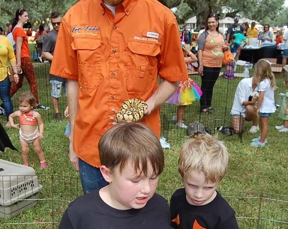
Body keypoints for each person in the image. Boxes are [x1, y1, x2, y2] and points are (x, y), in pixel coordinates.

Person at [50, 0, 188, 194]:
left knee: (136, 219)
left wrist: (145, 107)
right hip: (90, 144)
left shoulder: (162, 17)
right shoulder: (74, 16)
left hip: (139, 145)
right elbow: (72, 80)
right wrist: (73, 138)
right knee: (97, 215)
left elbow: (173, 78)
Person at [51, 122, 178, 229]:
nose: (147, 189)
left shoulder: (159, 206)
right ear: (107, 173)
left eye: (153, 177)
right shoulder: (80, 213)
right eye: (135, 180)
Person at [170, 134, 246, 229]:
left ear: (219, 181)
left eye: (208, 187)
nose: (199, 194)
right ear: (182, 176)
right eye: (192, 185)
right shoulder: (177, 199)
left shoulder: (222, 214)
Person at [10, 9, 49, 110]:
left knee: (18, 83)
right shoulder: (18, 30)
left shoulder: (16, 29)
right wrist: (18, 63)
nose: (27, 18)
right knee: (32, 81)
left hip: (22, 57)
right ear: (19, 16)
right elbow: (18, 47)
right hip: (24, 58)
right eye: (25, 16)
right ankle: (36, 103)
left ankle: (6, 98)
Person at [198, 13, 227, 113]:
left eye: (213, 22)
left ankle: (209, 104)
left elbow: (222, 46)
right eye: (209, 22)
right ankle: (203, 106)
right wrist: (201, 65)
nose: (211, 24)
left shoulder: (221, 35)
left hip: (217, 64)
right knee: (205, 85)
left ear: (217, 23)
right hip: (207, 64)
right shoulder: (204, 35)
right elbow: (200, 50)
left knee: (211, 85)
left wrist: (225, 48)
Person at [8, 92, 46, 168]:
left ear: (32, 106)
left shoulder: (36, 114)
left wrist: (41, 133)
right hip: (23, 136)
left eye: (25, 106)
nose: (22, 108)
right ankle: (25, 163)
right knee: (24, 150)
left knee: (38, 149)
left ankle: (43, 161)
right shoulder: (19, 113)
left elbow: (41, 124)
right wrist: (12, 124)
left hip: (34, 135)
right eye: (20, 106)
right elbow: (11, 116)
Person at [168, 44, 201, 128]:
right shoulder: (181, 59)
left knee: (183, 103)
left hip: (184, 82)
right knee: (183, 104)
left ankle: (177, 117)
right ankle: (179, 122)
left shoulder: (180, 58)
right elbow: (195, 59)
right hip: (183, 84)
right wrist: (188, 51)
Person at [41, 12, 66, 121]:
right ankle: (57, 113)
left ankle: (71, 110)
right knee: (56, 92)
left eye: (59, 23)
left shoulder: (67, 33)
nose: (56, 25)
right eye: (54, 23)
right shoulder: (49, 36)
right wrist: (57, 60)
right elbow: (45, 53)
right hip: (56, 70)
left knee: (71, 92)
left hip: (69, 69)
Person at [251, 59, 276, 147]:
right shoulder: (268, 80)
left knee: (264, 124)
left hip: (265, 107)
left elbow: (261, 97)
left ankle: (262, 141)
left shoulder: (263, 83)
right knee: (262, 123)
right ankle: (262, 137)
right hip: (268, 106)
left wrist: (257, 108)